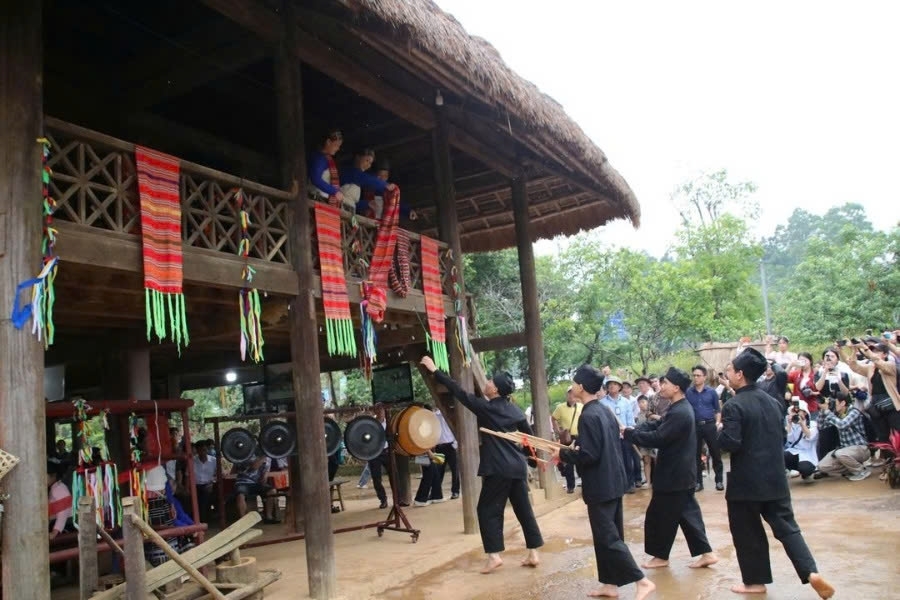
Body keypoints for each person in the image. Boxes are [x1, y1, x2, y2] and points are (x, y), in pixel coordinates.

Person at [717, 347, 834, 599]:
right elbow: (781, 436)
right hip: (776, 478)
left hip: (746, 484)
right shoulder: (774, 402)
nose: (727, 374)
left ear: (739, 375)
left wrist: (719, 431)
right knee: (788, 528)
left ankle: (755, 583)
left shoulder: (733, 405)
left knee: (748, 533)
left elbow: (730, 443)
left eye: (729, 370)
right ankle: (810, 571)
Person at [420, 356, 542, 574]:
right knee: (524, 510)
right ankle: (534, 552)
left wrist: (434, 370)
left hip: (497, 468)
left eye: (490, 382)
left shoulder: (487, 409)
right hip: (517, 468)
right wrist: (532, 460)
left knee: (486, 510)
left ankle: (494, 556)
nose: (486, 383)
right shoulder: (516, 411)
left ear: (495, 390)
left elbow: (458, 392)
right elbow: (529, 440)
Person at [552, 365, 655, 600]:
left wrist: (564, 454)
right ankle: (610, 584)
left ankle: (641, 580)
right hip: (613, 480)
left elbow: (590, 455)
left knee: (608, 537)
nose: (573, 386)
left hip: (600, 484)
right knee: (607, 535)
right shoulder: (604, 410)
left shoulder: (589, 414)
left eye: (575, 382)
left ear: (581, 387)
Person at [624, 367, 718, 570]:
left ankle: (660, 556)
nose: (661, 387)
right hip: (680, 473)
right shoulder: (677, 408)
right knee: (688, 514)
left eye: (665, 383)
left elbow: (659, 438)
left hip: (674, 475)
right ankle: (707, 553)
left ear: (676, 387)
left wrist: (631, 435)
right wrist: (633, 429)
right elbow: (657, 427)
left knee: (659, 515)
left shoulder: (681, 412)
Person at [841, 341, 899, 443]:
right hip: (877, 406)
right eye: (873, 351)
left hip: (892, 406)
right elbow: (853, 365)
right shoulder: (870, 368)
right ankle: (887, 456)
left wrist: (866, 349)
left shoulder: (890, 365)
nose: (874, 353)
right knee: (883, 437)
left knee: (898, 432)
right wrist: (853, 349)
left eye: (877, 351)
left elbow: (880, 363)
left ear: (885, 354)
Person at [815, 391, 872, 481]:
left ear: (843, 403)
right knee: (822, 466)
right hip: (845, 451)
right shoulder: (837, 414)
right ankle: (851, 469)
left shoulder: (854, 412)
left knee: (840, 453)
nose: (834, 405)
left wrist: (828, 412)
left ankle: (861, 471)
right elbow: (821, 426)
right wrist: (823, 411)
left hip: (861, 449)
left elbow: (842, 425)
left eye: (836, 403)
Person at [686, 365, 724, 491]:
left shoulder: (711, 392)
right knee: (695, 454)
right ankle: (698, 482)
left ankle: (719, 480)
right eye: (694, 375)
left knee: (715, 452)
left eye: (698, 375)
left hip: (709, 425)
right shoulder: (688, 393)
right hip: (695, 426)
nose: (696, 378)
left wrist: (717, 423)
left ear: (704, 377)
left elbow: (717, 410)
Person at [599, 376, 638, 493]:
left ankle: (630, 484)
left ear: (619, 387)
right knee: (613, 462)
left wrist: (628, 431)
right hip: (610, 438)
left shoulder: (626, 402)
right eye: (610, 384)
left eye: (615, 384)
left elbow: (630, 420)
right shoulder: (602, 403)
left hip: (624, 436)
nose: (612, 386)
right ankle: (617, 486)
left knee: (627, 461)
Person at [551, 386, 582, 493]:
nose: (571, 395)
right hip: (567, 438)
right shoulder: (560, 407)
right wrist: (558, 431)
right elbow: (553, 418)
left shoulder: (581, 406)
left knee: (581, 460)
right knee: (568, 462)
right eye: (569, 393)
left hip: (579, 436)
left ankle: (584, 483)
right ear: (567, 395)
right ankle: (570, 486)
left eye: (573, 393)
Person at [231, 455, 279, 524]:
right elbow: (254, 466)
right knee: (240, 494)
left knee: (272, 491)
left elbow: (266, 470)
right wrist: (262, 458)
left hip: (256, 483)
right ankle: (243, 520)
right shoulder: (246, 454)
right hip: (243, 482)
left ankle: (269, 516)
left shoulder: (268, 457)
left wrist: (265, 476)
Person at [784, 399, 818, 482]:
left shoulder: (812, 424)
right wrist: (789, 424)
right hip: (795, 452)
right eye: (794, 411)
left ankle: (806, 474)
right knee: (781, 456)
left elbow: (810, 437)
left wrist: (802, 424)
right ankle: (792, 469)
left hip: (808, 454)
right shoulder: (793, 425)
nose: (796, 413)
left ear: (805, 412)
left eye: (799, 411)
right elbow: (789, 440)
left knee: (805, 469)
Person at [307, 128, 344, 206]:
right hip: (316, 199)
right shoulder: (319, 158)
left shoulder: (326, 159)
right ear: (328, 142)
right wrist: (334, 191)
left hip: (322, 200)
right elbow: (315, 179)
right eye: (336, 145)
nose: (338, 148)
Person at [433, 406, 460, 499]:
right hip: (439, 447)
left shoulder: (451, 414)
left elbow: (456, 428)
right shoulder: (434, 416)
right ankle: (436, 493)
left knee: (455, 470)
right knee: (438, 471)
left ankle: (455, 491)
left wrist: (455, 444)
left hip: (451, 445)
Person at [192, 441, 217, 523]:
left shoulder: (213, 460)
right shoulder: (192, 460)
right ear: (197, 451)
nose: (203, 452)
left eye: (204, 450)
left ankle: (203, 521)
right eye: (200, 450)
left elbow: (220, 474)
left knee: (205, 497)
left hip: (209, 485)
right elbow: (188, 475)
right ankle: (202, 521)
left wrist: (212, 482)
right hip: (195, 485)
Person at [47, 461, 73, 540]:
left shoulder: (59, 489)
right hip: (60, 524)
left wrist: (54, 532)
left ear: (53, 476)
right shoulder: (54, 488)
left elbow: (63, 513)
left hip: (66, 525)